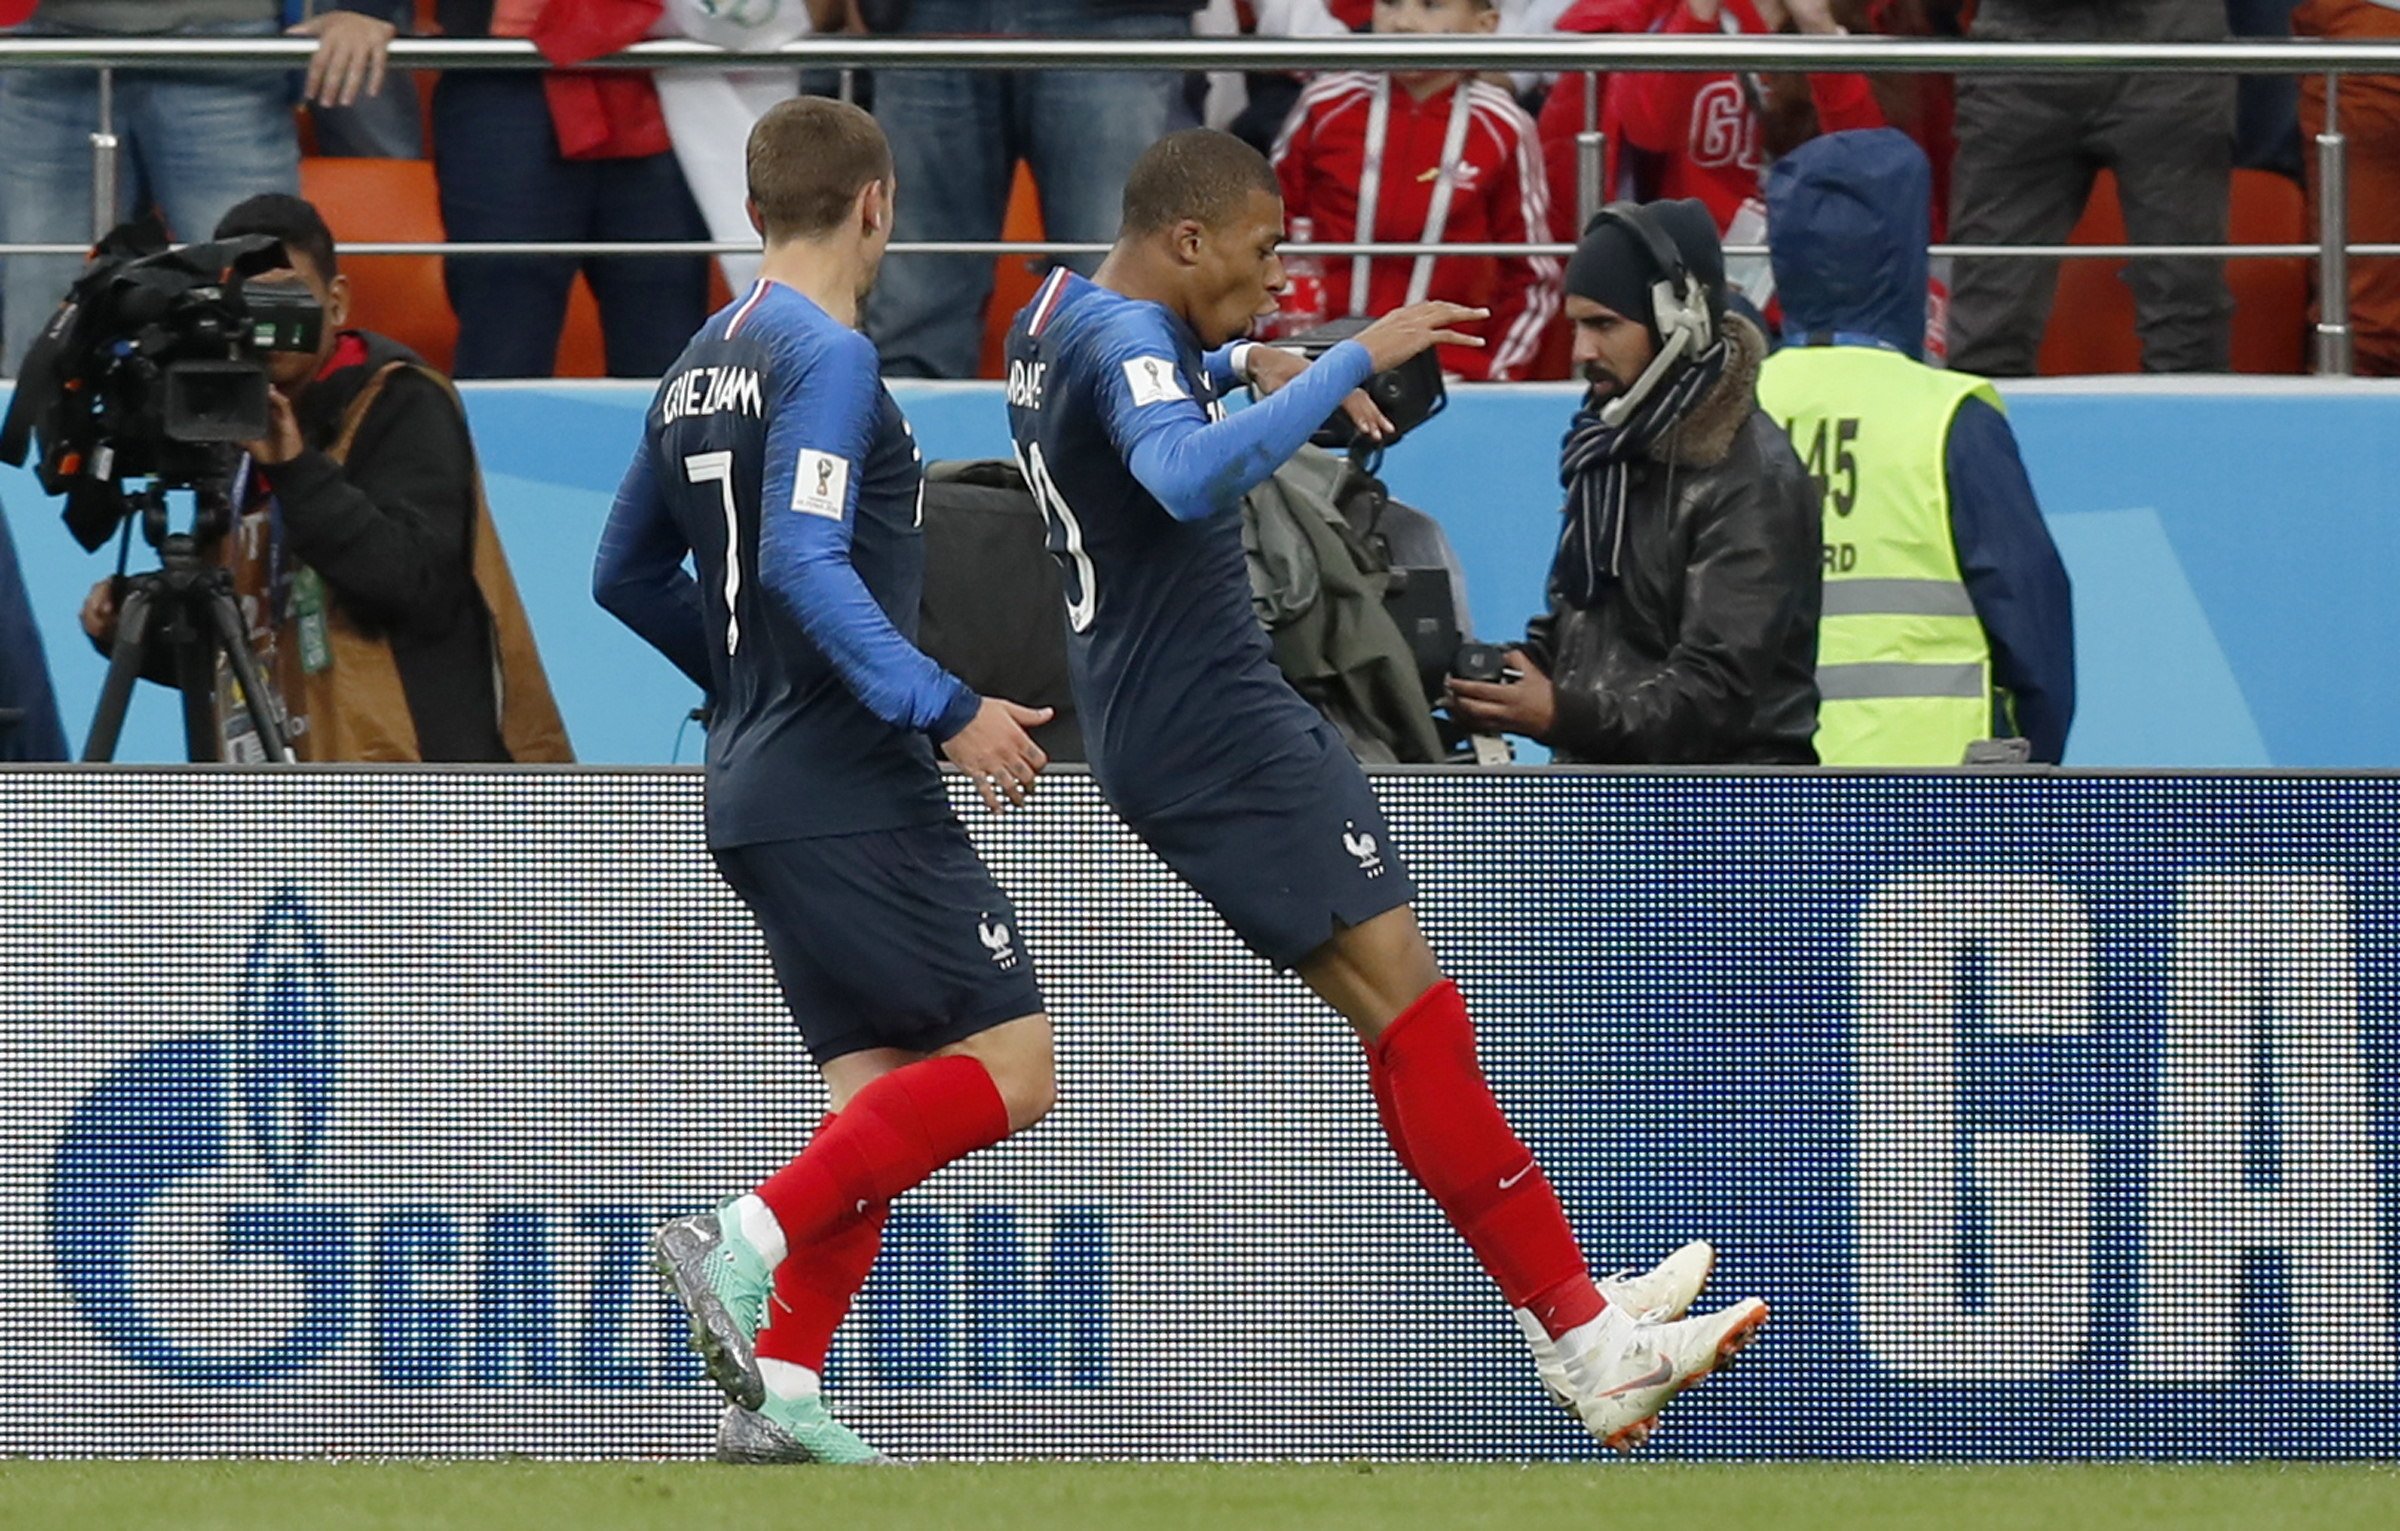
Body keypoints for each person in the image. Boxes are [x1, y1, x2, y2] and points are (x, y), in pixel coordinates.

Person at [1005, 128, 1763, 1453]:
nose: (1278, 273)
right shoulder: (1127, 340)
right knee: (1415, 1010)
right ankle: (1584, 1336)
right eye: (1261, 251)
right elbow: (1181, 468)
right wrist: (1357, 354)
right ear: (1188, 240)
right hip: (1217, 723)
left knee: (1402, 1010)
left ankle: (1567, 1305)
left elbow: (1136, 387)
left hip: (1164, 718)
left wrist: (1245, 362)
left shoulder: (1057, 311)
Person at [593, 96, 1060, 1467]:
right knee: (1015, 1065)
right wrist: (945, 702)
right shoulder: (834, 356)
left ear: (754, 210)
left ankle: (780, 1388)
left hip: (751, 779)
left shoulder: (692, 363)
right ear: (878, 204)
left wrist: (744, 683)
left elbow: (623, 574)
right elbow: (803, 558)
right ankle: (739, 1234)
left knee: (877, 1098)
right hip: (851, 771)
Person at [77, 193, 572, 763]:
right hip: (291, 793)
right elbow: (248, 642)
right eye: (248, 302)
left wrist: (294, 467)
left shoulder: (400, 400)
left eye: (284, 298)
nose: (265, 323)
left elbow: (414, 586)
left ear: (336, 304)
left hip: (413, 790)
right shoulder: (232, 422)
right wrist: (131, 628)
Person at [1448, 198, 1821, 765]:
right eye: (1575, 325)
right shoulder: (1609, 453)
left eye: (1603, 325)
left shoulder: (1753, 478)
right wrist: (1495, 678)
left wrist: (1557, 714)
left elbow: (1713, 696)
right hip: (1611, 808)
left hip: (1729, 826)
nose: (1581, 352)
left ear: (1682, 320)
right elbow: (1588, 640)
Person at [1758, 130, 2074, 765]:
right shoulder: (1949, 415)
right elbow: (2032, 626)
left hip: (1753, 794)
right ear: (1903, 255)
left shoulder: (1726, 403)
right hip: (1935, 798)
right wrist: (2031, 765)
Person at [0, 0, 401, 375]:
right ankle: (51, 450)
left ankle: (283, 450)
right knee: (42, 325)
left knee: (270, 314)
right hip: (44, 49)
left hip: (229, 45)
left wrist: (352, 9)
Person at [861, 0, 1202, 380]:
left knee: (1122, 311)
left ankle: (1135, 432)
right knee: (914, 319)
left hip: (1115, 17)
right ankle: (905, 438)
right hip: (923, 13)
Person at [1267, 0, 1561, 380]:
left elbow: (1533, 274)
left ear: (1485, 25)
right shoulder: (1324, 105)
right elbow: (1264, 236)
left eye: (1431, 6)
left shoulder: (1505, 127)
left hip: (1452, 378)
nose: (1403, 23)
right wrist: (1277, 347)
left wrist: (1496, 377)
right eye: (1389, 3)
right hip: (1314, 367)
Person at [1945, 1, 2235, 376]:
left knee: (2186, 318)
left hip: (2170, 49)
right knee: (1986, 324)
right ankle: (1983, 433)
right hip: (2019, 53)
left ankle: (2189, 432)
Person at [428, 0, 713, 378]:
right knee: (506, 326)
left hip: (660, 62)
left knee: (666, 329)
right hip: (510, 68)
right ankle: (497, 438)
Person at [2299, 0, 2400, 376]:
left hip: (2365, 30)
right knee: (2361, 320)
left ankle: (2344, 422)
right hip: (2367, 35)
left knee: (2359, 315)